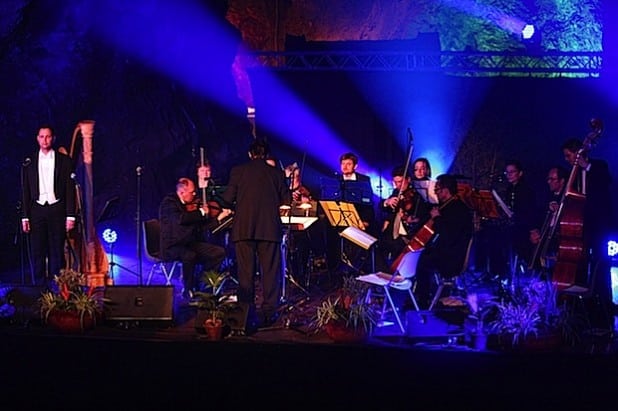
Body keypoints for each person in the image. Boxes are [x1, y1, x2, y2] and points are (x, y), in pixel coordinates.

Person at [221, 139, 290, 328]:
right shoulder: (276, 173)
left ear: (250, 154)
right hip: (269, 228)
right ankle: (269, 313)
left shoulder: (238, 171)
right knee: (270, 272)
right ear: (266, 155)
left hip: (244, 229)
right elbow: (287, 199)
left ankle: (246, 312)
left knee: (245, 273)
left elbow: (227, 200)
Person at [561, 137, 613, 327]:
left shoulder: (599, 166)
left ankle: (604, 306)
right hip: (580, 227)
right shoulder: (572, 174)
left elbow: (605, 182)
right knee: (580, 267)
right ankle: (581, 309)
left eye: (568, 155)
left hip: (599, 226)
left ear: (578, 153)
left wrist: (586, 166)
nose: (567, 159)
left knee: (601, 266)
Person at [21, 125, 76, 285]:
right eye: (42, 136)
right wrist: (25, 217)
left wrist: (70, 215)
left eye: (48, 136)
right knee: (37, 250)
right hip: (36, 210)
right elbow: (25, 191)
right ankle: (38, 289)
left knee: (56, 251)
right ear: (37, 138)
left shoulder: (64, 161)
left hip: (57, 209)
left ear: (53, 138)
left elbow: (69, 189)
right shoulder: (29, 162)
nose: (45, 140)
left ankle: (57, 289)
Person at [159, 177, 229, 298]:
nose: (195, 194)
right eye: (192, 192)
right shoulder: (169, 203)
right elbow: (181, 219)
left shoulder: (188, 206)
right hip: (173, 246)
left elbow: (199, 228)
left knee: (218, 252)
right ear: (182, 192)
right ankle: (188, 289)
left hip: (188, 243)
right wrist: (201, 212)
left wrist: (218, 219)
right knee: (189, 255)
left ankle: (204, 286)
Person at [413, 174, 474, 308]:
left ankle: (423, 299)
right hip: (447, 250)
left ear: (446, 190)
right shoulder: (448, 205)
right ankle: (420, 294)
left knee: (422, 259)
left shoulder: (458, 209)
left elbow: (448, 235)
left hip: (454, 257)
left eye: (438, 190)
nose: (436, 193)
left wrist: (437, 218)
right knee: (423, 254)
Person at [377, 164, 430, 272]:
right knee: (377, 245)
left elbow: (421, 218)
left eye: (401, 182)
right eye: (395, 182)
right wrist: (387, 202)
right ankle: (384, 275)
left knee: (395, 247)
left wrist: (410, 219)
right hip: (392, 232)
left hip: (407, 234)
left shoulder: (416, 196)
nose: (398, 185)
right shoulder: (396, 192)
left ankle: (396, 275)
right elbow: (382, 207)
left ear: (408, 180)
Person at [529, 165, 568, 271]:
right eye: (548, 179)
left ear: (562, 181)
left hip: (558, 238)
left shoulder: (568, 197)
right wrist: (534, 230)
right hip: (545, 235)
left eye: (553, 179)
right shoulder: (546, 196)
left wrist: (560, 209)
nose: (549, 182)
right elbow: (537, 214)